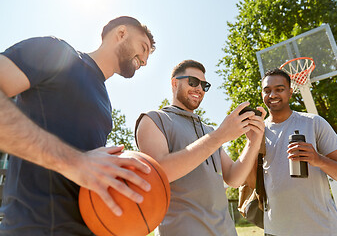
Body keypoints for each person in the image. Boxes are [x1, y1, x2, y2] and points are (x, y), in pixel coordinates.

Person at [0, 16, 156, 235]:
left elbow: (90, 173)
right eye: (144, 47)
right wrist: (75, 161)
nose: (146, 61)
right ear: (121, 34)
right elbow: (81, 164)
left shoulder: (104, 104)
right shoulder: (56, 52)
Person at [135, 59, 266, 236]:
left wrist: (253, 142)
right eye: (193, 82)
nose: (199, 88)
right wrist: (220, 136)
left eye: (204, 85)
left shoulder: (208, 131)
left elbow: (234, 179)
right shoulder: (153, 120)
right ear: (174, 83)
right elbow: (160, 173)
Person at [261, 68, 337, 236]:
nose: (272, 95)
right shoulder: (257, 132)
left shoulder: (314, 123)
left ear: (290, 92)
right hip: (276, 230)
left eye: (279, 89)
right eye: (267, 90)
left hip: (321, 229)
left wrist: (318, 160)